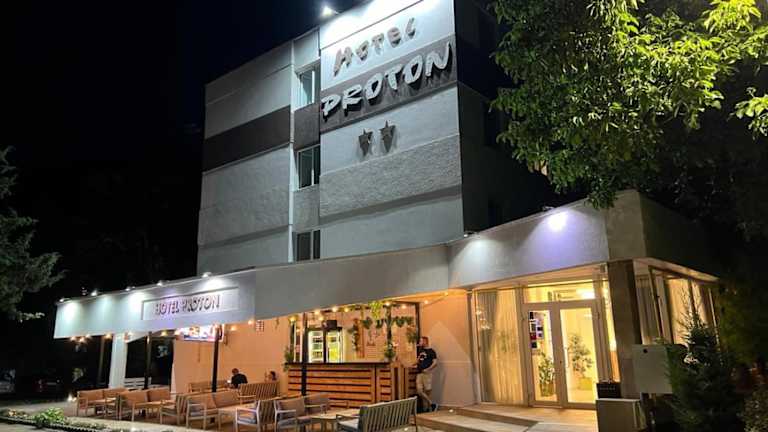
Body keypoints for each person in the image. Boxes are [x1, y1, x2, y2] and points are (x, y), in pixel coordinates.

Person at [415, 336, 438, 412]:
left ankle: (426, 409)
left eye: (421, 341)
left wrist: (428, 369)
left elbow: (435, 363)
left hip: (427, 373)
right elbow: (417, 361)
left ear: (425, 341)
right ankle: (431, 403)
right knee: (419, 391)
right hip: (419, 373)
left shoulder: (432, 351)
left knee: (427, 391)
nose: (420, 342)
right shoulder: (420, 351)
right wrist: (410, 364)